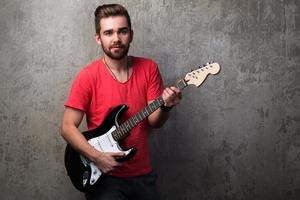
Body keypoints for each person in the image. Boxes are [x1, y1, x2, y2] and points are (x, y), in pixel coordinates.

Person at [60, 4, 181, 200]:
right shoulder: (87, 76)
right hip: (104, 177)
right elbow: (67, 127)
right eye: (108, 33)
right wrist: (97, 157)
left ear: (131, 35)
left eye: (122, 31)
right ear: (98, 39)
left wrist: (166, 106)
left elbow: (154, 122)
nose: (116, 38)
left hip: (142, 173)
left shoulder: (149, 68)